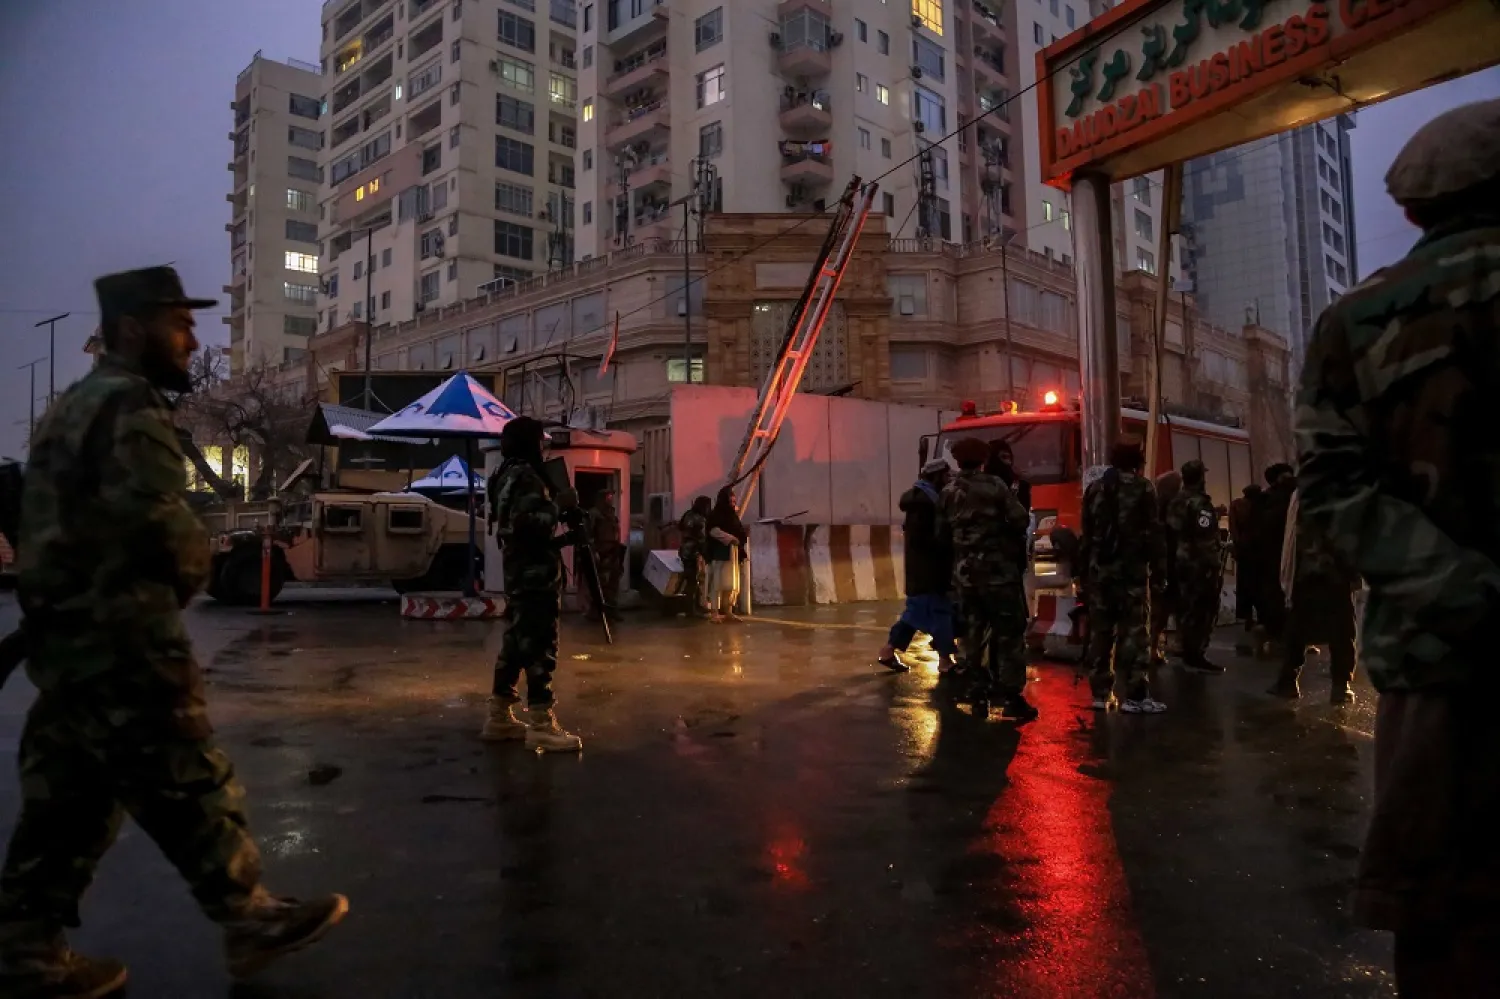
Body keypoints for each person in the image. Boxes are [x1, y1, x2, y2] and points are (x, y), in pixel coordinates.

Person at [0, 267, 347, 996]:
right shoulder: (129, 405)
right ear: (133, 328)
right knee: (189, 775)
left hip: (68, 646)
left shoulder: (70, 409)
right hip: (127, 643)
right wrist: (193, 567)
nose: (192, 339)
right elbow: (162, 530)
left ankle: (26, 947)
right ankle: (246, 915)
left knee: (71, 797)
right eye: (178, 323)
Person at [1296, 97, 1500, 995]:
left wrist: (1463, 590)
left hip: (1437, 665)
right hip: (1435, 659)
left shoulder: (1359, 320)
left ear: (1412, 208)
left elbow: (1335, 490)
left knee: (1446, 920)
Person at [482, 416, 583, 752]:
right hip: (535, 574)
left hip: (519, 571)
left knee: (515, 642)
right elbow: (528, 524)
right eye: (540, 440)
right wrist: (560, 505)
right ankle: (541, 722)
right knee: (540, 642)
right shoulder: (525, 476)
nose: (544, 446)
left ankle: (499, 715)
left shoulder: (504, 473)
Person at [939, 437, 1036, 721]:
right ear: (983, 459)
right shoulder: (995, 485)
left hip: (965, 576)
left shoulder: (948, 491)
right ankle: (1011, 698)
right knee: (1009, 634)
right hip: (999, 574)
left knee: (972, 635)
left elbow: (940, 533)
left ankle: (976, 693)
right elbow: (1019, 519)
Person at [1080, 436, 1167, 713]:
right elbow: (1154, 532)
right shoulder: (1143, 489)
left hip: (1099, 572)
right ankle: (1135, 694)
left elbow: (1087, 533)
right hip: (1131, 573)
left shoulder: (1094, 489)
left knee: (1101, 631)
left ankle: (1099, 693)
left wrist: (1084, 572)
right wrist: (1159, 569)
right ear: (1137, 461)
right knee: (1134, 632)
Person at [1268, 487, 1359, 703]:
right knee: (1341, 631)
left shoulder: (1302, 493)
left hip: (1308, 574)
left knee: (1299, 629)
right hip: (1332, 575)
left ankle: (1288, 681)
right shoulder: (1341, 491)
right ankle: (1339, 685)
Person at [877, 459, 955, 673]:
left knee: (915, 615)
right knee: (939, 613)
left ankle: (888, 650)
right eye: (946, 476)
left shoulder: (924, 500)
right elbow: (925, 541)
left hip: (923, 571)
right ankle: (945, 660)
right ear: (937, 476)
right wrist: (947, 545)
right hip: (930, 571)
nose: (949, 480)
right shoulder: (925, 504)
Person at [1165, 459, 1225, 674]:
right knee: (1203, 609)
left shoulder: (1176, 501)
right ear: (1200, 477)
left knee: (1184, 607)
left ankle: (1185, 648)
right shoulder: (1200, 503)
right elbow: (1205, 536)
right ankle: (1196, 654)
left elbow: (1173, 530)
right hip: (1199, 564)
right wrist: (1212, 563)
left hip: (1180, 561)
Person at [1251, 463, 1296, 653]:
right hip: (1284, 554)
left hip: (1266, 556)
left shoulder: (1263, 499)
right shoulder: (1288, 499)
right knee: (1286, 596)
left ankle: (1268, 632)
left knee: (1272, 595)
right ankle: (1281, 637)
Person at [1148, 469, 1182, 667]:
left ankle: (1152, 646)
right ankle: (1155, 647)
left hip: (1160, 562)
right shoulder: (1173, 509)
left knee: (1159, 607)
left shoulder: (1153, 507)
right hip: (1171, 561)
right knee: (1165, 607)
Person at [1228, 483, 1264, 651]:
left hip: (1243, 550)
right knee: (1259, 585)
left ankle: (1247, 616)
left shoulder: (1236, 505)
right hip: (1259, 551)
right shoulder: (1260, 506)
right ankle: (1261, 617)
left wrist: (1237, 546)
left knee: (1244, 584)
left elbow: (1233, 529)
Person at [705, 486, 747, 622]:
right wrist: (730, 538)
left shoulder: (732, 515)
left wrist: (739, 540)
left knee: (732, 583)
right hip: (719, 553)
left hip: (733, 553)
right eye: (730, 498)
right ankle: (714, 612)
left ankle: (728, 610)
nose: (733, 500)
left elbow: (739, 530)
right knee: (717, 583)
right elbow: (713, 531)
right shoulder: (716, 515)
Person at [585, 488, 624, 622]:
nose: (610, 498)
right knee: (600, 584)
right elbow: (588, 534)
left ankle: (612, 611)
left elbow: (616, 531)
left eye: (611, 496)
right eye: (608, 496)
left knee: (613, 583)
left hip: (613, 552)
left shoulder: (611, 513)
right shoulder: (594, 513)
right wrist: (593, 551)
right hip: (601, 552)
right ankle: (596, 612)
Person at [676, 495, 712, 617]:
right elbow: (701, 538)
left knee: (690, 580)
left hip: (685, 551)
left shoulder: (688, 514)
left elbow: (680, 527)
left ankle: (690, 608)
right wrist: (705, 554)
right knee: (695, 581)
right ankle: (693, 609)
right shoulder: (700, 519)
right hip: (694, 552)